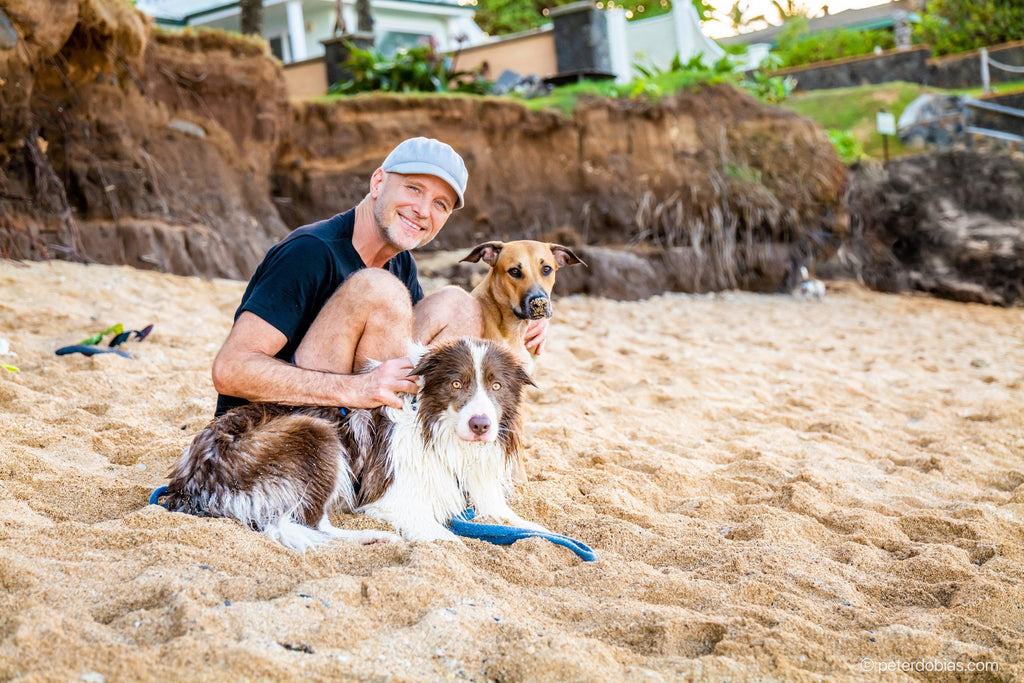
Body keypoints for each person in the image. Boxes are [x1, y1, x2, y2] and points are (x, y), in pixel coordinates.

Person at [211, 136, 548, 417]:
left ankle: (413, 454)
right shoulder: (310, 251)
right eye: (414, 189)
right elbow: (231, 370)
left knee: (457, 304)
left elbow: (405, 348)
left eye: (440, 204)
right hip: (278, 429)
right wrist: (360, 388)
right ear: (378, 182)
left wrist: (522, 322)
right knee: (378, 288)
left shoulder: (400, 264)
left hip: (353, 420)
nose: (423, 210)